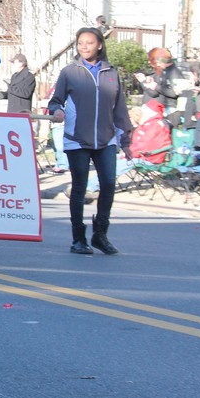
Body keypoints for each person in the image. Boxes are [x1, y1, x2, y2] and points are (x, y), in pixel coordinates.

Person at [48, 27, 132, 256]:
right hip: (78, 139)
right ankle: (78, 239)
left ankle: (100, 235)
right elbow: (55, 101)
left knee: (108, 185)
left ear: (100, 45)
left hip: (106, 139)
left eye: (89, 43)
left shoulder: (111, 73)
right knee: (79, 187)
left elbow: (120, 109)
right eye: (80, 43)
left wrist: (126, 139)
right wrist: (57, 111)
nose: (84, 47)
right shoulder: (70, 72)